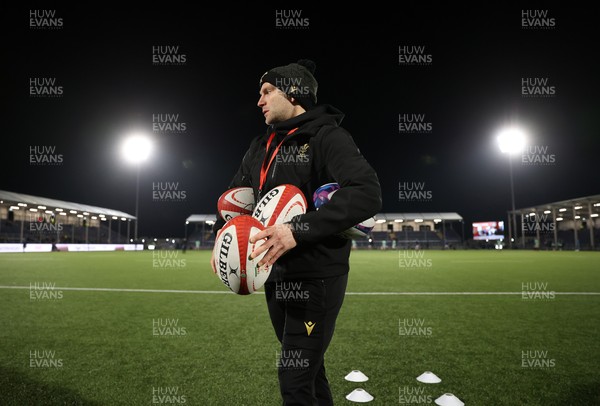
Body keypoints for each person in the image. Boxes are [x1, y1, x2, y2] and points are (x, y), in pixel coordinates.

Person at [210, 59, 382, 405]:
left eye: (267, 91)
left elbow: (366, 192)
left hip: (316, 277)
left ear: (293, 93)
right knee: (311, 374)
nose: (259, 100)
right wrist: (222, 236)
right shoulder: (259, 147)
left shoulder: (327, 136)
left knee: (295, 378)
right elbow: (236, 200)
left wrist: (296, 230)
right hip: (273, 273)